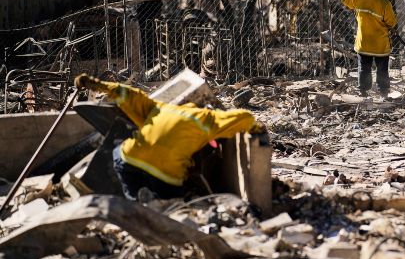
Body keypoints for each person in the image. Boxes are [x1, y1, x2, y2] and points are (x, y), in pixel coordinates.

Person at [74, 74, 264, 200]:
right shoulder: (207, 119)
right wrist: (256, 127)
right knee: (173, 201)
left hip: (132, 160)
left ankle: (138, 201)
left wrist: (97, 84)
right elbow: (242, 117)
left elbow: (130, 94)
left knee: (119, 152)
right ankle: (164, 202)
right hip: (166, 174)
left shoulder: (163, 108)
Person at [342, 0, 398, 97]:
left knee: (364, 69)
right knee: (382, 70)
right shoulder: (385, 3)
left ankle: (363, 92)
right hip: (381, 46)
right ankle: (383, 93)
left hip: (364, 44)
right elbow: (391, 22)